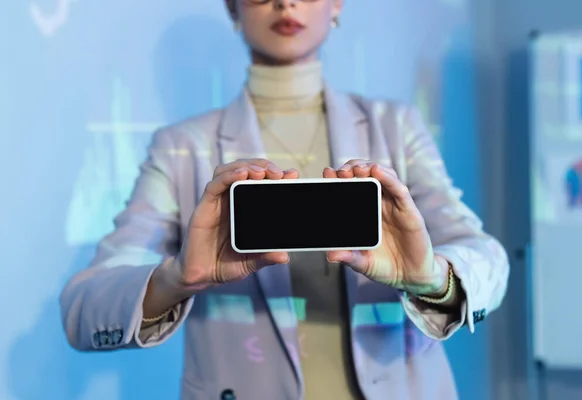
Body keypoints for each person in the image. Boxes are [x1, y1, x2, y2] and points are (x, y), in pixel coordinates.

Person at [60, 0, 510, 399]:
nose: (284, 3)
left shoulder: (396, 127)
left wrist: (435, 279)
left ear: (337, 5)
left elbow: (486, 257)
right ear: (232, 8)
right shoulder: (182, 146)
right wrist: (176, 279)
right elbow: (83, 308)